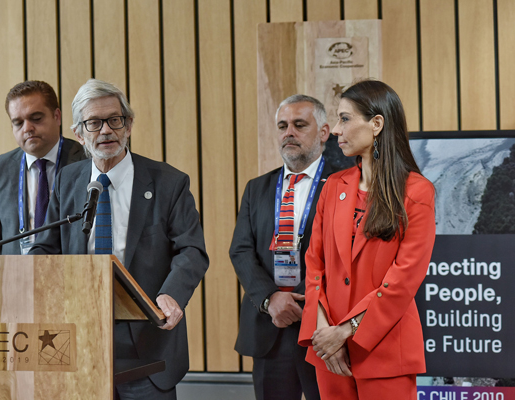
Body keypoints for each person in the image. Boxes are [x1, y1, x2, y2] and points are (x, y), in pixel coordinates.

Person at [28, 78, 209, 399]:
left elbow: (191, 249)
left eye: (115, 120)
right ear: (78, 132)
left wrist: (172, 295)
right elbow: (47, 245)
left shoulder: (169, 182)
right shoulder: (68, 180)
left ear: (129, 125)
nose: (106, 130)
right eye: (94, 123)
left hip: (147, 339)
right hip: (79, 337)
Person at [298, 80, 436, 399]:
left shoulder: (417, 193)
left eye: (345, 119)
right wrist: (324, 336)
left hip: (385, 351)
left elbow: (402, 281)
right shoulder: (333, 186)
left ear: (376, 124)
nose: (336, 129)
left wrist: (343, 332)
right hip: (329, 353)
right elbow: (314, 266)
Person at [230, 94, 336, 400]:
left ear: (324, 132)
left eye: (299, 124)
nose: (289, 132)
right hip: (268, 327)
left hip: (323, 327)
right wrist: (271, 299)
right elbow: (240, 250)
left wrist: (300, 300)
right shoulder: (257, 187)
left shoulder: (343, 185)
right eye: (282, 125)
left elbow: (343, 254)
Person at [0, 80, 86, 254]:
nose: (27, 128)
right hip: (15, 276)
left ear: (57, 116)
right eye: (18, 123)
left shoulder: (86, 160)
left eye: (36, 118)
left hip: (72, 273)